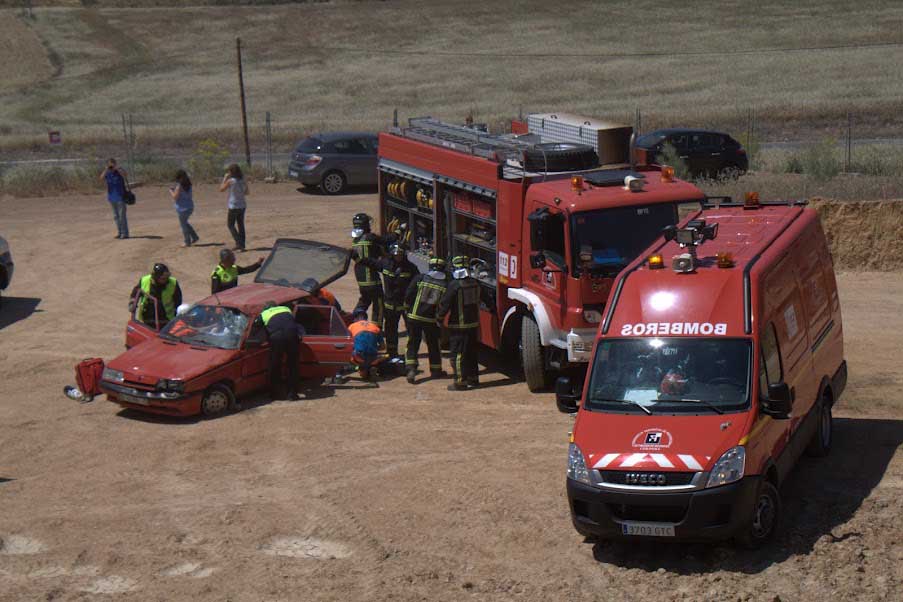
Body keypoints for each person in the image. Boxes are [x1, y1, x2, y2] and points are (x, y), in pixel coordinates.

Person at [358, 243, 419, 360]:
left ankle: (411, 353)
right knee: (391, 330)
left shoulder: (411, 268)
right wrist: (358, 258)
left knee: (412, 329)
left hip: (405, 305)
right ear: (392, 255)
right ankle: (392, 353)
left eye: (400, 255)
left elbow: (416, 284)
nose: (398, 257)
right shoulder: (386, 264)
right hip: (390, 305)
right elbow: (372, 263)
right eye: (396, 255)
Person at [438, 255, 481, 390]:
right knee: (471, 352)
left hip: (458, 326)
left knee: (458, 354)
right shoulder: (475, 282)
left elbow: (445, 304)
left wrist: (439, 318)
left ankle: (460, 382)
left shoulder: (454, 285)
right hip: (473, 324)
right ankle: (473, 379)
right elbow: (487, 299)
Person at [403, 256, 448, 384]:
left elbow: (409, 293)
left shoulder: (420, 278)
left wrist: (407, 308)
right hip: (431, 320)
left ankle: (411, 369)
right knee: (433, 345)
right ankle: (436, 370)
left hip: (414, 317)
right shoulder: (445, 284)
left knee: (413, 343)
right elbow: (445, 303)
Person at [259, 301, 304, 400]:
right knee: (293, 365)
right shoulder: (286, 309)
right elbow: (294, 322)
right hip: (292, 336)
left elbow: (257, 329)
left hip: (277, 338)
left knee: (274, 365)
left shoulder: (264, 314)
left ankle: (275, 394)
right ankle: (292, 394)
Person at [350, 213, 387, 324]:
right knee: (379, 305)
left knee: (365, 300)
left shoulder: (355, 240)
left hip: (362, 281)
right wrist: (397, 233)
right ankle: (377, 329)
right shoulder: (370, 237)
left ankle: (355, 322)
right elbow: (384, 241)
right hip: (372, 280)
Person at [129, 263, 182, 329]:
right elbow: (135, 293)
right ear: (156, 277)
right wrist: (132, 304)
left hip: (166, 320)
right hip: (147, 319)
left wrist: (176, 313)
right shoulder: (144, 281)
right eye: (163, 278)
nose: (166, 280)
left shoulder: (173, 283)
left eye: (167, 277)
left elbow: (178, 300)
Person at [348, 309, 386, 382]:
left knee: (342, 353)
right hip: (373, 356)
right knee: (383, 357)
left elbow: (347, 344)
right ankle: (371, 366)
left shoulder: (352, 326)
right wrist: (374, 348)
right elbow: (383, 347)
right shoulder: (375, 327)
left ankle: (338, 376)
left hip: (359, 356)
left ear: (355, 318)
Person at [219, 163, 249, 251]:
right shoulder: (243, 179)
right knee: (240, 224)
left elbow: (221, 189)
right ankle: (242, 245)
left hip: (234, 205)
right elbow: (247, 192)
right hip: (242, 205)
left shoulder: (231, 181)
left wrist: (225, 178)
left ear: (231, 172)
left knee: (230, 224)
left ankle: (239, 243)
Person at [100, 158, 129, 239]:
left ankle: (125, 233)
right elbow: (101, 178)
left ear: (115, 164)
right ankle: (119, 232)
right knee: (116, 216)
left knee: (122, 216)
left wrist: (117, 168)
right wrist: (106, 169)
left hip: (120, 197)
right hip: (111, 197)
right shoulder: (108, 173)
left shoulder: (119, 171)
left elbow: (125, 175)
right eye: (109, 165)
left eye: (112, 164)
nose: (111, 167)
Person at [169, 169, 199, 247]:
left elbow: (175, 197)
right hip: (189, 207)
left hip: (182, 208)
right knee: (185, 223)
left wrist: (171, 191)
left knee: (183, 225)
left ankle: (187, 241)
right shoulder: (188, 184)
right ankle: (195, 237)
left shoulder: (179, 186)